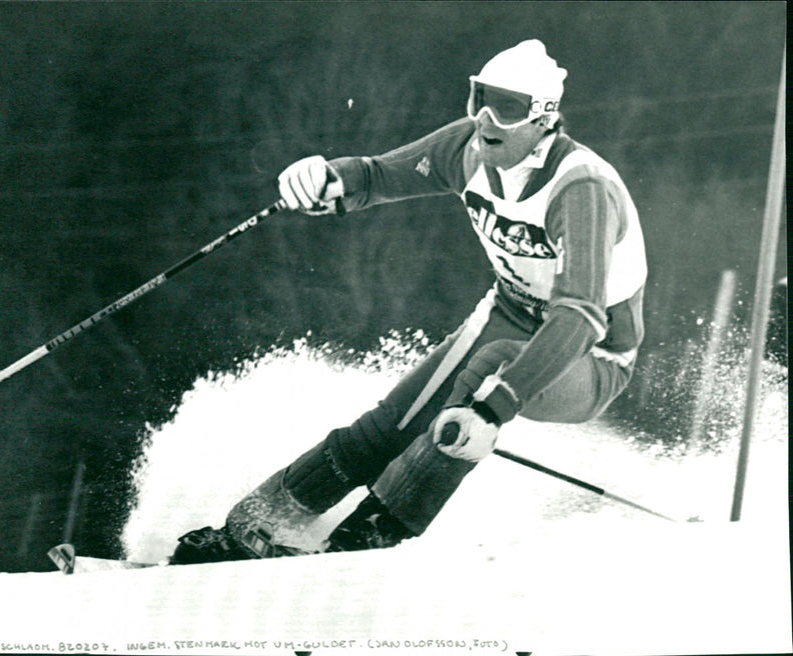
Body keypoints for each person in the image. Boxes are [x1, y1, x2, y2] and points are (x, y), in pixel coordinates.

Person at [170, 39, 647, 564]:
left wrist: (496, 409)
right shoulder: (467, 150)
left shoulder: (580, 189)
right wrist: (328, 178)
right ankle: (249, 527)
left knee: (483, 384)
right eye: (479, 99)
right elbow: (377, 175)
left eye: (507, 108)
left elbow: (579, 315)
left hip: (590, 356)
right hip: (509, 313)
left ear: (543, 119)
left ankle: (360, 546)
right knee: (391, 423)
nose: (486, 120)